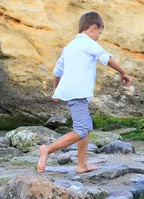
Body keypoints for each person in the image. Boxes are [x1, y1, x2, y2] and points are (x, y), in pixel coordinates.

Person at [37, 11, 132, 174]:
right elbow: (106, 57)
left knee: (86, 128)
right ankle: (48, 149)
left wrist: (55, 89)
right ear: (93, 28)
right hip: (78, 93)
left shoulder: (70, 46)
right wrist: (123, 72)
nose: (98, 37)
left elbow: (57, 70)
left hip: (73, 92)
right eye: (99, 33)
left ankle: (82, 165)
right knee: (81, 130)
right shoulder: (87, 42)